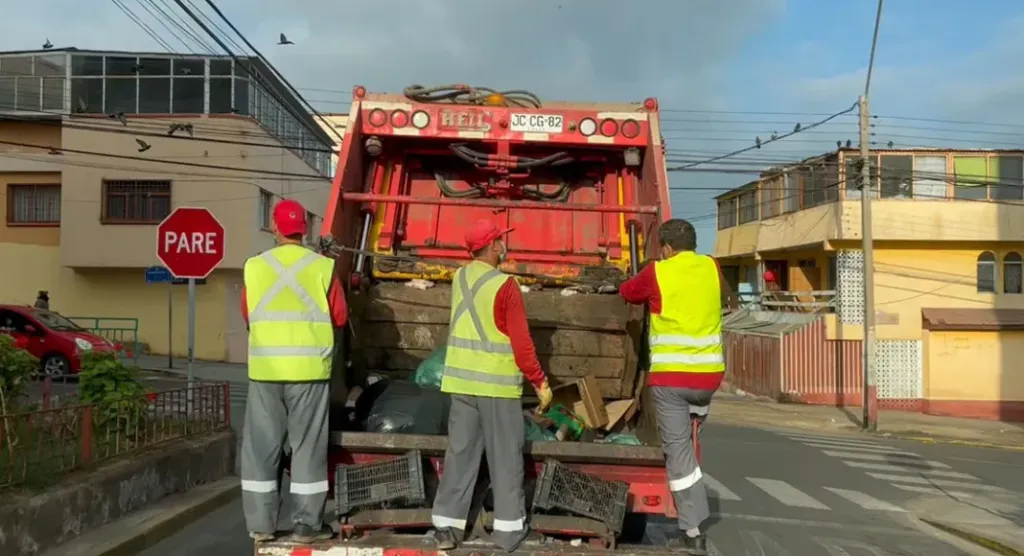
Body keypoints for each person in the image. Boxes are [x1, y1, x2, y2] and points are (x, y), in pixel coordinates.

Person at [430, 219, 554, 553]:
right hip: (497, 388)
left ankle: (446, 529)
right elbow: (521, 342)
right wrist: (540, 381)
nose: (504, 245)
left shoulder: (460, 277)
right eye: (500, 240)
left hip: (462, 384)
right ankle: (509, 532)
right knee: (506, 460)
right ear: (492, 246)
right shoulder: (505, 285)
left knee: (460, 456)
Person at [618, 218, 735, 555]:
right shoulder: (711, 267)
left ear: (666, 248)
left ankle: (693, 529)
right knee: (691, 440)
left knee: (679, 453)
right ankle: (693, 504)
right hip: (709, 378)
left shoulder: (658, 272)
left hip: (671, 381)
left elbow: (628, 292)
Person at [239, 199, 347, 544]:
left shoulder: (254, 267)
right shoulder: (322, 268)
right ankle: (306, 526)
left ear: (274, 227)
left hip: (266, 370)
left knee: (261, 450)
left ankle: (261, 527)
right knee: (307, 448)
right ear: (306, 229)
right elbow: (340, 317)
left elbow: (247, 313)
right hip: (309, 370)